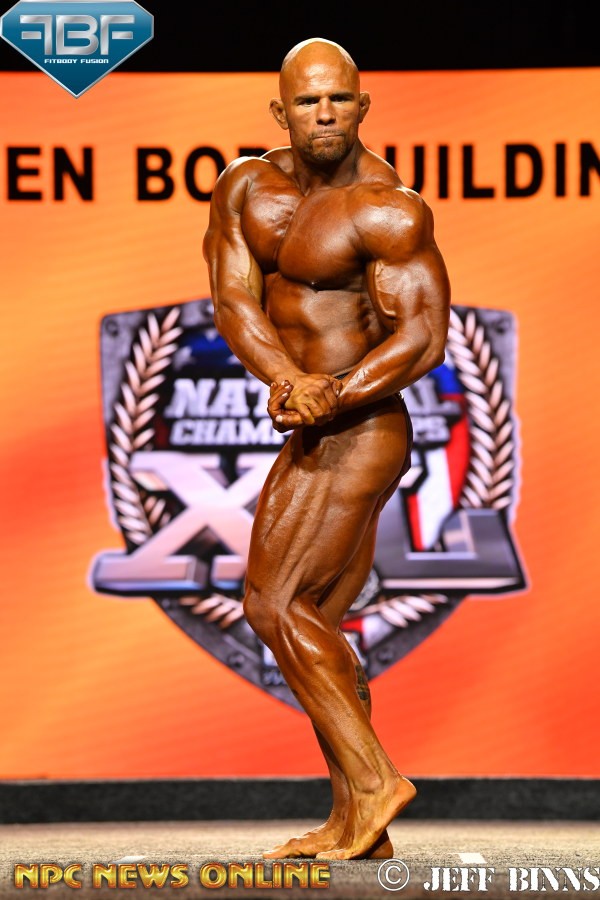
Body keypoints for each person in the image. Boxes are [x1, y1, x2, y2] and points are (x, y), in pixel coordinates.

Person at [202, 36, 451, 861]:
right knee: (314, 622)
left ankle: (376, 782)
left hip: (362, 426)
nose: (324, 114)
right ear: (281, 110)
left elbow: (424, 337)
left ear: (362, 105)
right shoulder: (245, 187)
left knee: (273, 605)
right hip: (310, 418)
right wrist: (287, 379)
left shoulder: (388, 207)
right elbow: (233, 299)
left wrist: (333, 393)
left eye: (339, 99)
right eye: (308, 101)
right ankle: (358, 824)